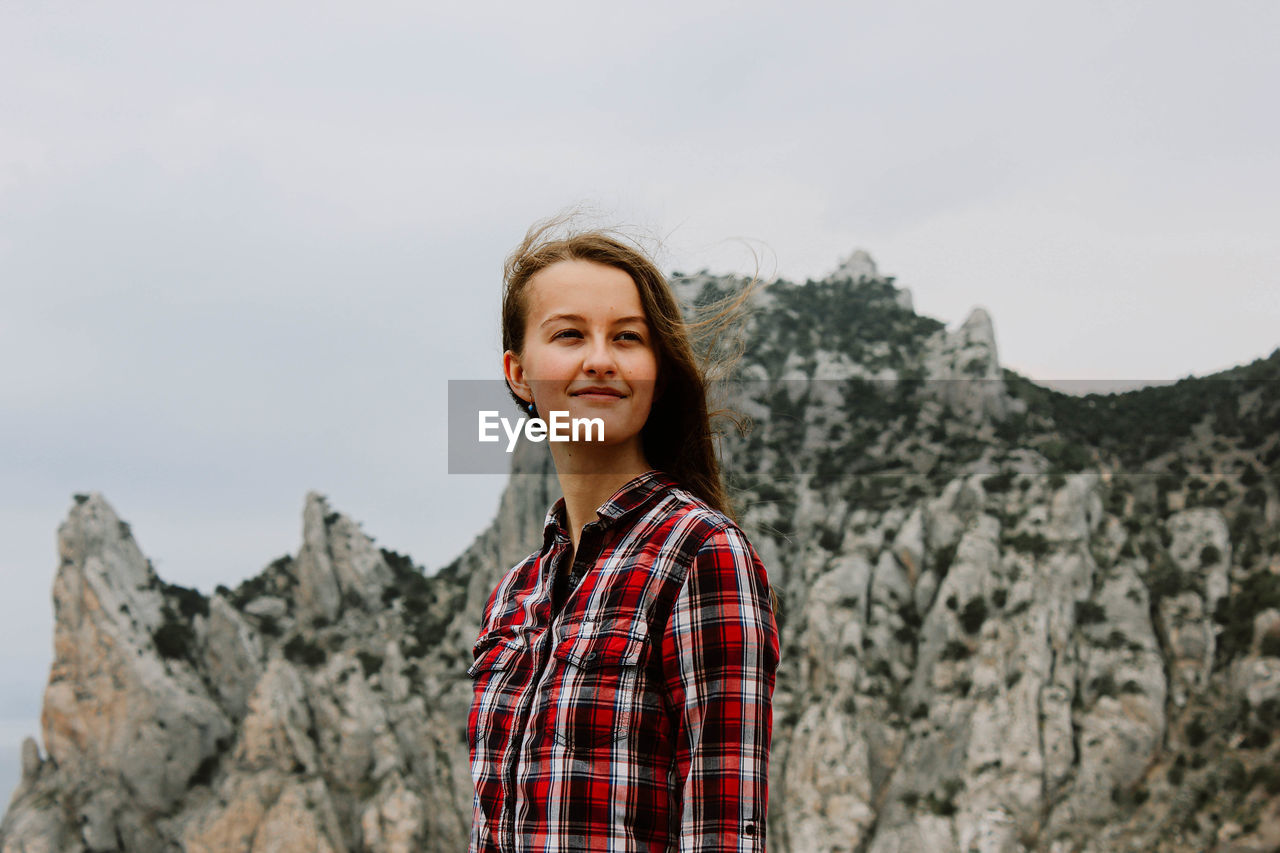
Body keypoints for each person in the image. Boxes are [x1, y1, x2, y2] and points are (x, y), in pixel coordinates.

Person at [467, 216, 780, 851]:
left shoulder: (701, 553)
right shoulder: (513, 596)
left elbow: (725, 828)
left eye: (628, 338)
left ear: (656, 370)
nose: (600, 359)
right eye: (569, 334)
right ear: (519, 372)